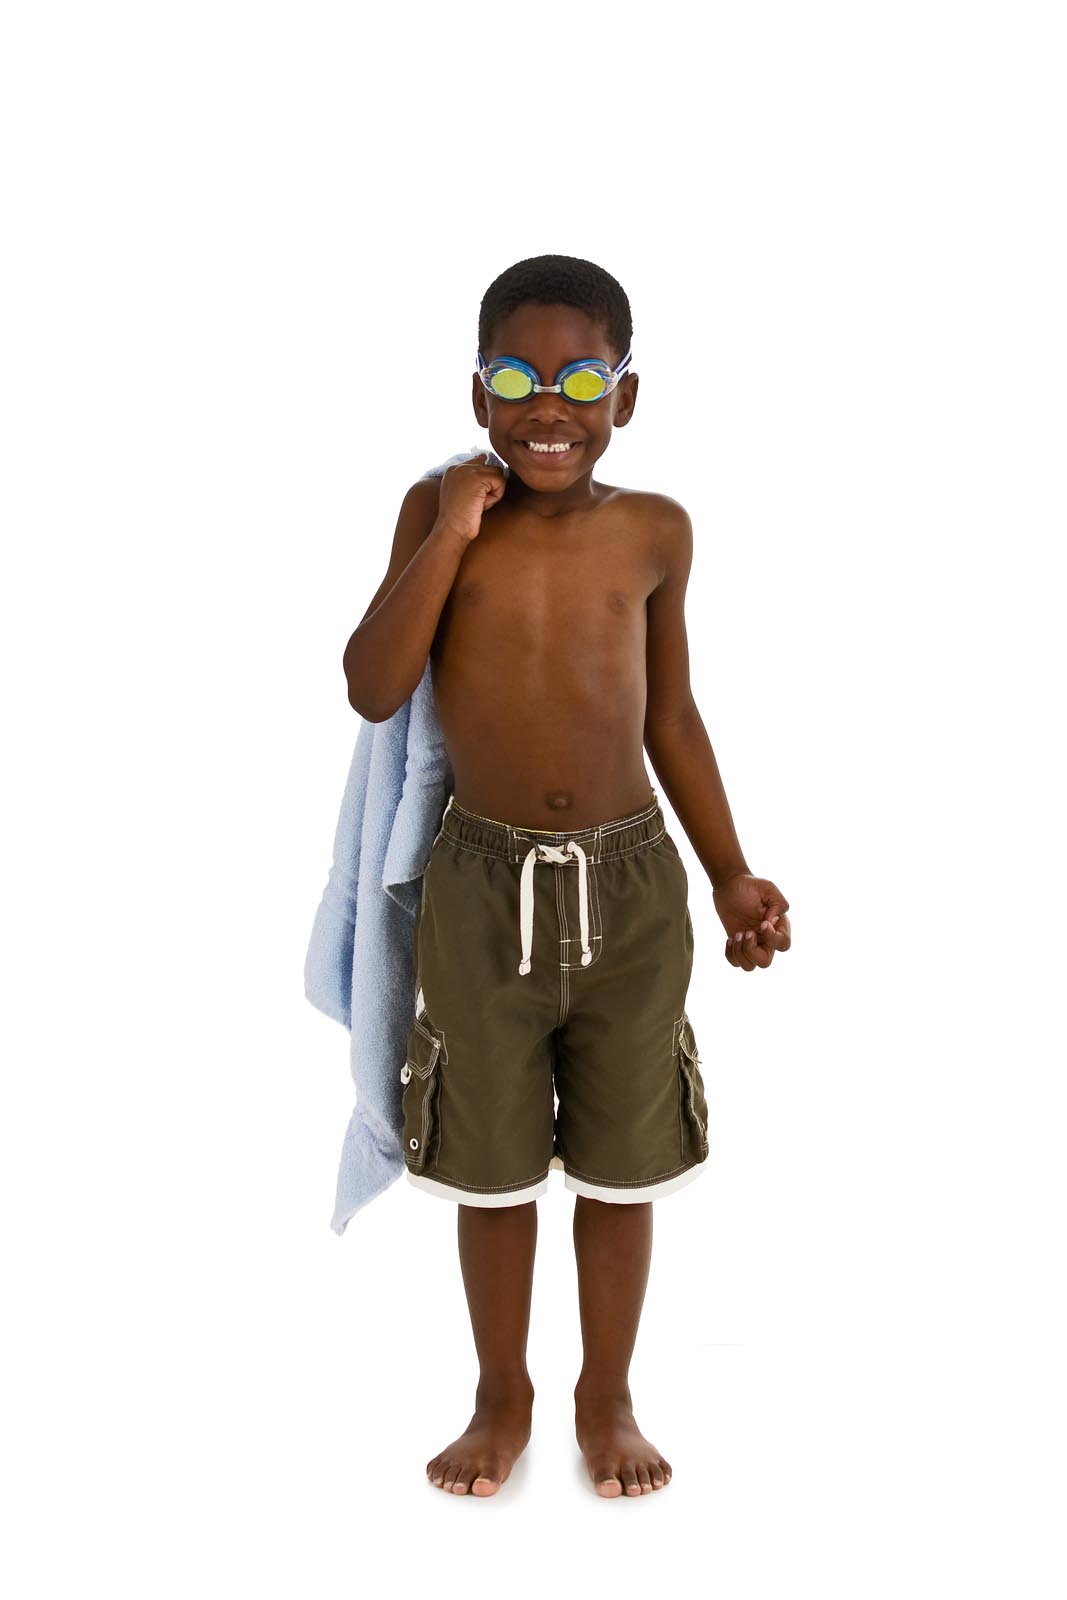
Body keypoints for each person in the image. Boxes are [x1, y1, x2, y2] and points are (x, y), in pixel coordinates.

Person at [342, 253, 791, 1499]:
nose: (551, 404)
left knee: (621, 1159)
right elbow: (374, 684)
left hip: (631, 887)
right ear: (477, 392)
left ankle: (606, 1390)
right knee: (483, 1163)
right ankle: (502, 1391)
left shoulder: (654, 531)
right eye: (519, 377)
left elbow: (673, 718)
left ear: (625, 398)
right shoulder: (434, 508)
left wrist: (731, 872)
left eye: (581, 377)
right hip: (479, 890)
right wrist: (448, 530)